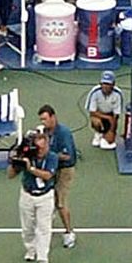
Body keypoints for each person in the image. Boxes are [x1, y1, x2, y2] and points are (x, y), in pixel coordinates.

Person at [10, 124, 60, 263]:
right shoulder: (28, 156)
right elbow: (10, 175)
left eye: (43, 145)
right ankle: (31, 250)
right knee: (27, 228)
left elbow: (47, 175)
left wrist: (30, 168)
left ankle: (43, 260)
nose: (41, 149)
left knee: (44, 228)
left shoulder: (52, 157)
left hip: (45, 196)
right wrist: (16, 161)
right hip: (27, 195)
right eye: (38, 146)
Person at [37, 103, 81, 250]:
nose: (43, 122)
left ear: (53, 117)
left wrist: (50, 155)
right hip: (53, 168)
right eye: (41, 120)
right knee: (48, 196)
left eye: (45, 119)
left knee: (61, 202)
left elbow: (67, 156)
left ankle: (69, 233)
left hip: (65, 170)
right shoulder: (45, 132)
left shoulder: (64, 133)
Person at [83, 68, 124, 149]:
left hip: (111, 115)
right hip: (98, 114)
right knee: (96, 121)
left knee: (110, 140)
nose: (105, 86)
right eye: (104, 83)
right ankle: (98, 133)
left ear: (113, 84)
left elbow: (116, 115)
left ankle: (107, 134)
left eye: (108, 84)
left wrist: (111, 131)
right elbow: (92, 112)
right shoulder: (94, 92)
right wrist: (109, 118)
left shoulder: (118, 94)